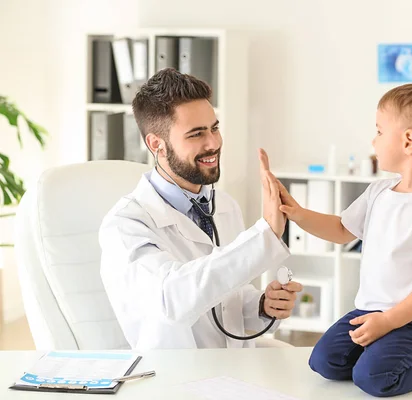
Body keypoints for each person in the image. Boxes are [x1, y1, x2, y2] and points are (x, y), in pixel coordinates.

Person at [270, 83, 412, 396]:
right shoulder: (378, 192)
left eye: (379, 131)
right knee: (324, 363)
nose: (373, 140)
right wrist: (296, 213)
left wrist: (388, 322)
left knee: (374, 380)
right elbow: (342, 229)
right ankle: (383, 352)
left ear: (409, 141)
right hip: (369, 313)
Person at [99, 68, 302, 350]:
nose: (213, 143)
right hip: (175, 380)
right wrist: (264, 235)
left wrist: (262, 306)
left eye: (214, 128)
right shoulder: (126, 225)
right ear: (156, 145)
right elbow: (170, 299)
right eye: (196, 134)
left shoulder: (224, 206)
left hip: (231, 373)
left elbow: (225, 302)